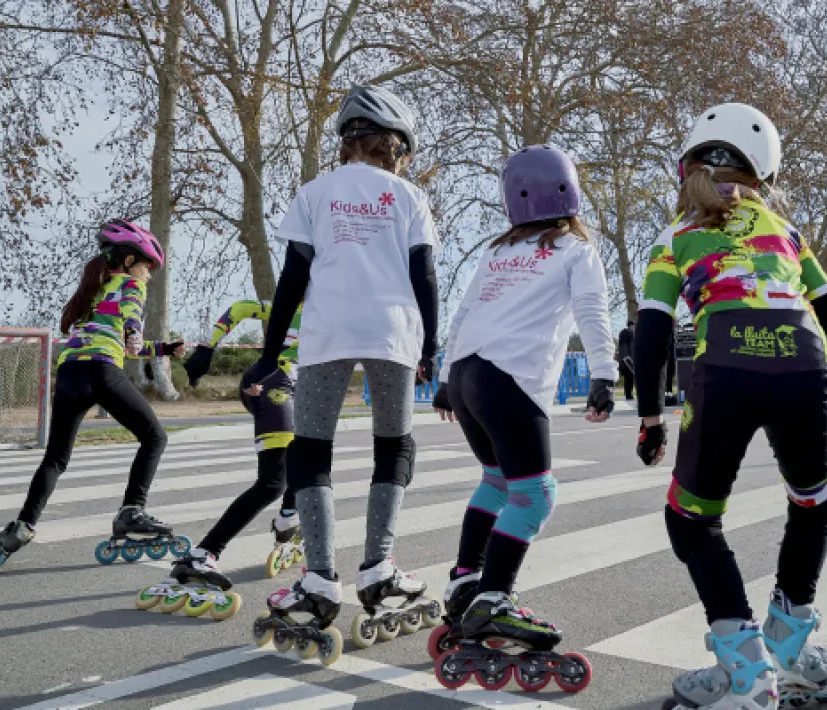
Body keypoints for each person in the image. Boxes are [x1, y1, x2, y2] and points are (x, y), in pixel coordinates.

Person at [632, 103, 827, 709]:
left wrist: (650, 419)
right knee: (814, 501)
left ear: (688, 166)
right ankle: (790, 649)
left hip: (724, 364)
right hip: (803, 360)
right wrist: (814, 385)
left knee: (691, 519)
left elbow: (650, 332)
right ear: (765, 174)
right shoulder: (786, 231)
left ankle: (745, 673)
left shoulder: (675, 234)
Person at [249, 84, 439, 660]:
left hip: (327, 335)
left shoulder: (313, 192)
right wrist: (433, 345)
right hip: (393, 334)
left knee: (311, 450)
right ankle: (379, 570)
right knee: (394, 446)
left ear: (349, 140)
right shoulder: (409, 196)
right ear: (396, 145)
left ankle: (322, 581)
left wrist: (268, 350)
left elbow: (292, 280)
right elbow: (425, 275)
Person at [428, 144, 616, 691]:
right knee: (534, 495)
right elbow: (592, 311)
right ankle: (492, 599)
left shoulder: (497, 249)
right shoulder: (576, 248)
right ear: (570, 192)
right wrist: (604, 375)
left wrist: (443, 382)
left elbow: (464, 314)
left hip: (466, 375)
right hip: (509, 378)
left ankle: (465, 581)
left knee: (495, 481)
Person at [0, 220, 186, 575]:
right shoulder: (130, 284)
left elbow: (111, 339)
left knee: (55, 458)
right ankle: (131, 510)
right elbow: (130, 325)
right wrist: (136, 330)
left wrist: (162, 348)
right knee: (155, 437)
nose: (149, 275)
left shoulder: (90, 291)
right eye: (148, 266)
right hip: (101, 372)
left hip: (71, 374)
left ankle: (23, 527)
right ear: (131, 259)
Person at [134, 300, 306, 619]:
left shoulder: (306, 302)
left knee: (300, 456)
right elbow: (242, 307)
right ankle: (203, 553)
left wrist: (209, 346)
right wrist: (206, 348)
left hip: (283, 387)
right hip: (274, 386)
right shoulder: (309, 303)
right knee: (271, 482)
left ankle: (287, 519)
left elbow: (241, 308)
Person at [618, 318, 636, 400]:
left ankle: (627, 394)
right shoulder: (631, 334)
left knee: (627, 378)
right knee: (631, 378)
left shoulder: (622, 335)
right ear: (632, 325)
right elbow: (632, 348)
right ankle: (629, 395)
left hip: (622, 360)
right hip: (629, 360)